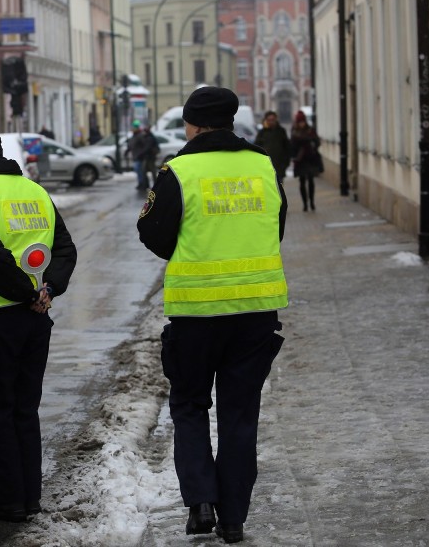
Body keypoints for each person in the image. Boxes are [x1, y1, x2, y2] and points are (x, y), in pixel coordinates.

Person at [137, 87, 287, 544]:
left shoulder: (178, 171)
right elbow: (277, 226)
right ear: (229, 121)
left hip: (196, 314)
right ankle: (235, 519)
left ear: (193, 124)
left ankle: (201, 502)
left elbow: (153, 233)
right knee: (241, 415)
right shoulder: (262, 163)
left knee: (188, 406)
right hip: (256, 312)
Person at [0, 122, 77, 523]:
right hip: (36, 318)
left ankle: (7, 499)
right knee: (26, 409)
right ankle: (29, 496)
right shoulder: (35, 191)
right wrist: (48, 290)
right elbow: (65, 248)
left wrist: (26, 293)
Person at [290, 110, 321, 211]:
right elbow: (292, 145)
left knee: (311, 180)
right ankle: (305, 204)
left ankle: (312, 201)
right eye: (300, 122)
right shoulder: (294, 131)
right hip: (300, 160)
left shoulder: (310, 130)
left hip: (310, 159)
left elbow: (317, 141)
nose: (301, 124)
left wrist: (313, 147)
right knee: (302, 181)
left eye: (302, 121)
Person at [254, 110, 291, 183]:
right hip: (266, 166)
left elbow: (287, 148)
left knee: (279, 189)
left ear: (276, 120)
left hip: (279, 166)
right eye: (269, 120)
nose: (271, 122)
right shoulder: (262, 132)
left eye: (273, 120)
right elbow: (257, 147)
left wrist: (285, 163)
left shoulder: (281, 131)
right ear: (266, 120)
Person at [126, 120, 150, 190]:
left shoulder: (140, 135)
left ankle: (142, 184)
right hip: (136, 156)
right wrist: (127, 150)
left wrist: (141, 153)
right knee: (138, 170)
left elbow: (145, 146)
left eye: (133, 128)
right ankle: (141, 183)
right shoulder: (134, 136)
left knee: (140, 171)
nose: (132, 129)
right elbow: (131, 145)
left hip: (140, 157)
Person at [141, 124, 161, 188]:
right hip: (149, 156)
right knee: (149, 171)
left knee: (150, 171)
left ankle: (152, 185)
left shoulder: (149, 137)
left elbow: (147, 147)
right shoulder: (149, 136)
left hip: (150, 157)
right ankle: (151, 184)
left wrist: (142, 153)